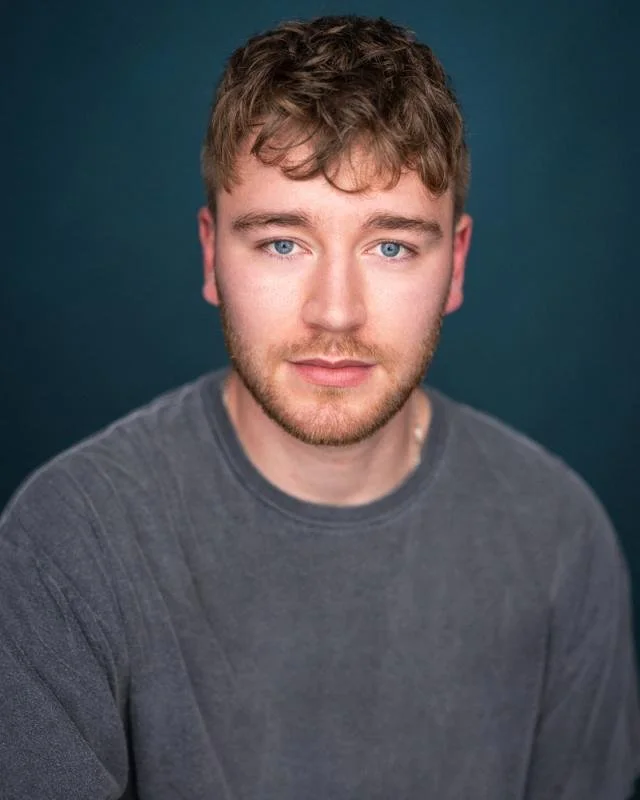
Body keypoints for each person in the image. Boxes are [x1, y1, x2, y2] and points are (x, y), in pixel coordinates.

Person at [1, 14, 638, 800]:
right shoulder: (66, 542)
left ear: (456, 266)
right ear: (211, 256)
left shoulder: (559, 538)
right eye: (282, 242)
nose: (335, 314)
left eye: (391, 245)